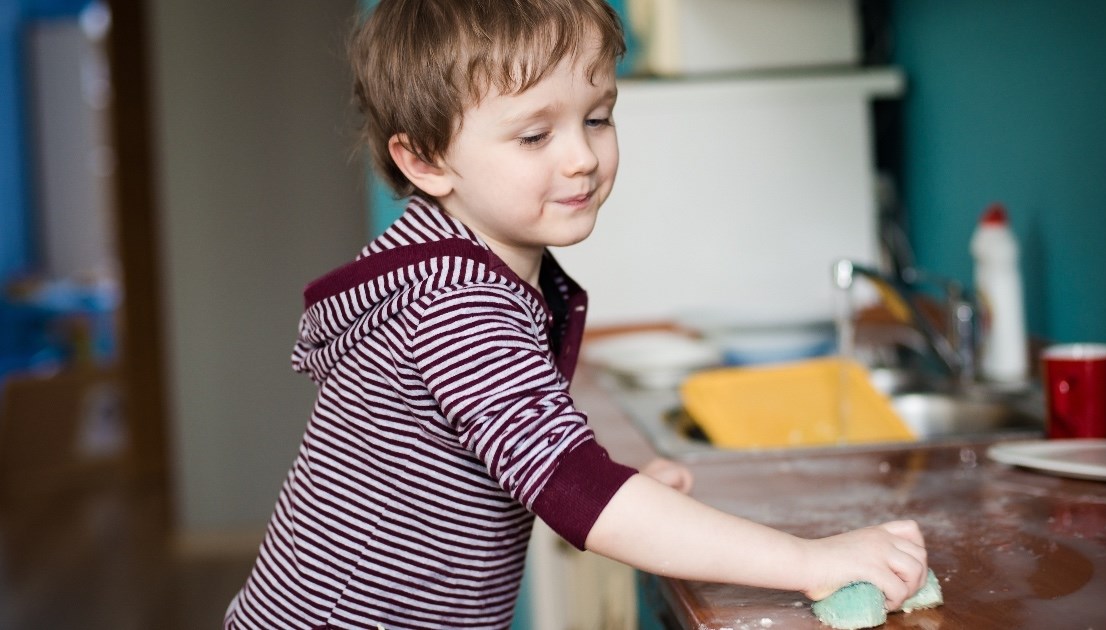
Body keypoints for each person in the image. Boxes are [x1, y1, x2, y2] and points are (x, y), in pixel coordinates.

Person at [224, 1, 929, 628]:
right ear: (426, 159)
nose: (582, 158)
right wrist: (813, 563)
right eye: (534, 136)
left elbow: (511, 465)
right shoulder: (455, 304)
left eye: (597, 118)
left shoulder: (465, 270)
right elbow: (569, 486)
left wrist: (607, 491)